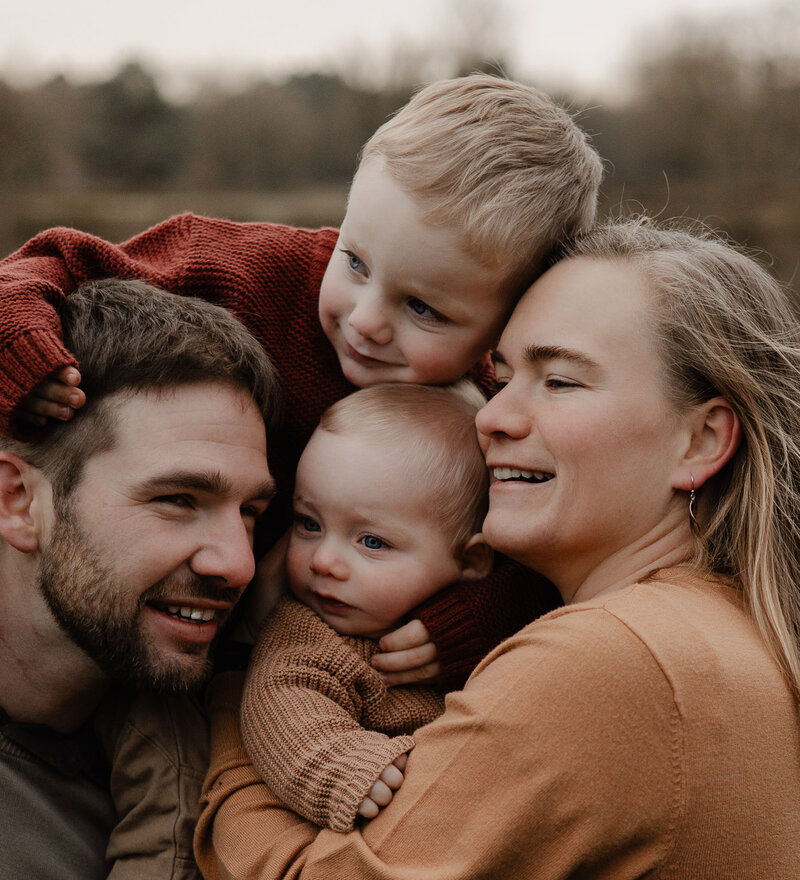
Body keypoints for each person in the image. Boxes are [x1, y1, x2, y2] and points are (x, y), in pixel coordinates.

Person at [195, 218, 800, 880]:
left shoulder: (613, 666)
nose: (490, 416)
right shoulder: (730, 648)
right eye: (500, 373)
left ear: (700, 439)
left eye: (557, 381)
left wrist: (224, 707)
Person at [0, 73, 595, 686]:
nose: (365, 321)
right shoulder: (255, 271)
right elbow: (53, 262)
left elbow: (544, 542)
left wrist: (480, 618)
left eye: (424, 309)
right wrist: (23, 352)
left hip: (287, 649)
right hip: (148, 614)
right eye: (356, 261)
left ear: (503, 330)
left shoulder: (490, 411)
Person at [0, 276, 306, 880]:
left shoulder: (178, 790)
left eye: (252, 513)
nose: (235, 562)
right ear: (18, 499)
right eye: (179, 500)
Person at [240, 380, 492, 880]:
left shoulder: (476, 644)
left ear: (472, 564)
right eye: (309, 524)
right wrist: (352, 769)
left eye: (373, 542)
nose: (325, 560)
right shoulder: (310, 631)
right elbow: (280, 705)